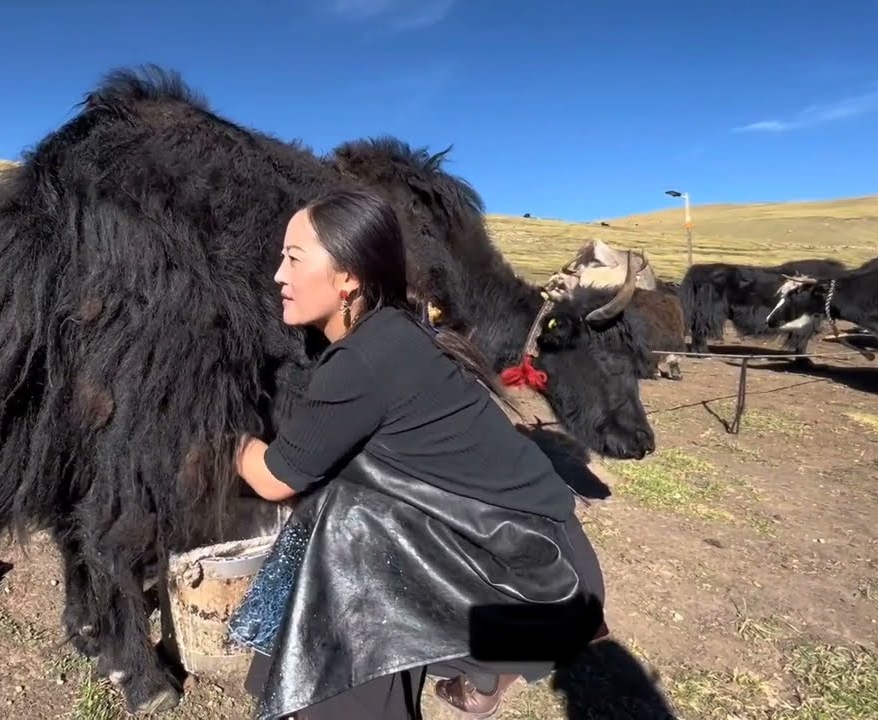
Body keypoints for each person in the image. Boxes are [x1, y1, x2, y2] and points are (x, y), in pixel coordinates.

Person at [230, 188, 608, 719]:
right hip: (550, 558)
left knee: (346, 540)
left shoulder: (362, 361)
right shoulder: (399, 330)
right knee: (348, 507)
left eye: (293, 258)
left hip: (534, 578)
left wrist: (223, 434)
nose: (278, 275)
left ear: (348, 277)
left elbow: (275, 479)